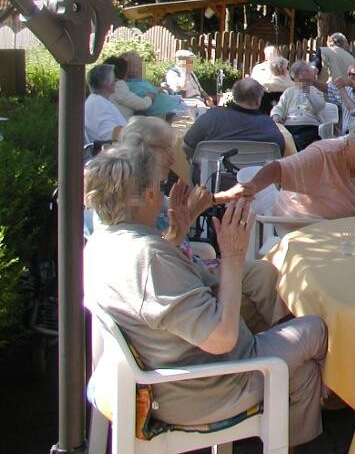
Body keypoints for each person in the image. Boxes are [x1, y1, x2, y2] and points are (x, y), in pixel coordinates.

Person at [83, 149, 327, 447]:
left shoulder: (103, 243)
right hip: (200, 388)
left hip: (163, 370)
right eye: (160, 190)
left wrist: (180, 232)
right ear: (147, 197)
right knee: (315, 329)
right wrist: (233, 255)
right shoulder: (147, 257)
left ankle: (288, 435)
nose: (164, 198)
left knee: (302, 369)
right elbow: (222, 339)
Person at [115, 116, 289, 334]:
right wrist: (230, 251)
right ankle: (276, 343)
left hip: (192, 267)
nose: (172, 158)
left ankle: (278, 337)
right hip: (184, 283)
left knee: (264, 273)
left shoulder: (146, 188)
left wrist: (222, 197)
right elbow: (156, 256)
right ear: (142, 149)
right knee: (265, 289)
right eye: (166, 150)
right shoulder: (132, 198)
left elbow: (179, 215)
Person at [183, 78, 285, 159]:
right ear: (258, 101)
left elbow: (187, 146)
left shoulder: (213, 116)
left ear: (234, 96)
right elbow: (279, 153)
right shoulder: (268, 125)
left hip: (212, 181)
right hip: (257, 183)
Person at [271, 61, 327, 151]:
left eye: (308, 71)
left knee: (298, 141)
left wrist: (307, 91)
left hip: (309, 125)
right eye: (303, 73)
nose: (307, 75)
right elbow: (280, 107)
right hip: (290, 125)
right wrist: (276, 115)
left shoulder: (315, 90)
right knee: (284, 140)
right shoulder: (289, 91)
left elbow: (319, 106)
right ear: (296, 77)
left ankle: (296, 159)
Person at [122, 50, 187, 119]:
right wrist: (156, 91)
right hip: (171, 116)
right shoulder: (131, 86)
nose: (142, 65)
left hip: (179, 110)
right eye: (138, 63)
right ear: (130, 68)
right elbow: (145, 102)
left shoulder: (141, 81)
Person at [84, 63, 127, 146]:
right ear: (107, 83)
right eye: (114, 79)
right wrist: (135, 130)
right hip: (111, 155)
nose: (116, 82)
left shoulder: (98, 101)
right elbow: (109, 135)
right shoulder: (98, 104)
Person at [104, 55, 155, 120]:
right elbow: (142, 104)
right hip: (121, 125)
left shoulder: (105, 84)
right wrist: (150, 97)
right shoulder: (118, 86)